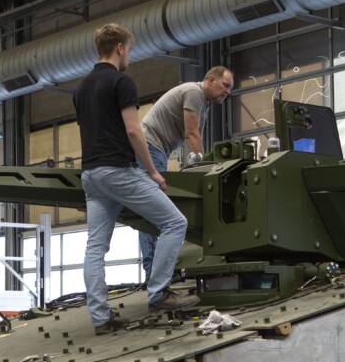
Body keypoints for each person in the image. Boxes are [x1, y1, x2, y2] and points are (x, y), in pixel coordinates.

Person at [73, 23, 197, 335]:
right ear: (120, 48)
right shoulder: (121, 81)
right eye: (129, 49)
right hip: (118, 170)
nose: (129, 55)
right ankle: (159, 294)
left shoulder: (81, 88)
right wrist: (152, 171)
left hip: (91, 174)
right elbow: (133, 130)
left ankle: (101, 318)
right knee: (174, 223)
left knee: (95, 247)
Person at [138, 66, 234, 280]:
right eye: (225, 85)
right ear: (210, 80)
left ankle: (154, 271)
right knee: (153, 210)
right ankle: (153, 273)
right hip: (151, 147)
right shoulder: (194, 92)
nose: (228, 92)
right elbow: (191, 134)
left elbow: (194, 136)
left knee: (155, 209)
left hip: (157, 148)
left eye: (230, 88)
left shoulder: (203, 103)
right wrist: (205, 168)